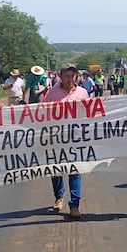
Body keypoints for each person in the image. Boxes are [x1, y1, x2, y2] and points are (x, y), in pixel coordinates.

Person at [44, 63, 90, 219]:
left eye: (72, 76)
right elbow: (41, 113)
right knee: (56, 170)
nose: (70, 79)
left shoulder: (83, 93)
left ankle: (74, 205)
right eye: (66, 76)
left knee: (75, 171)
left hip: (76, 139)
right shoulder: (52, 93)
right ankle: (59, 196)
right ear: (61, 76)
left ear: (76, 76)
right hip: (56, 138)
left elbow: (89, 114)